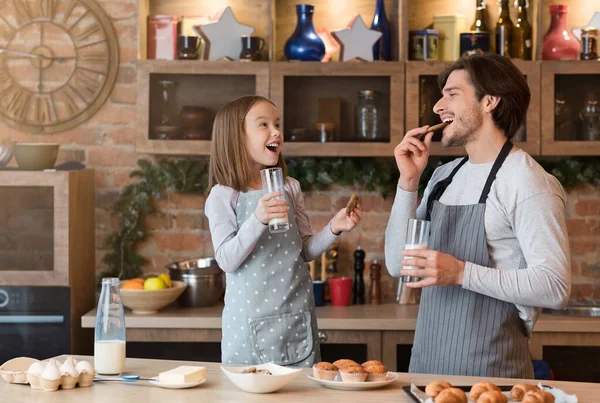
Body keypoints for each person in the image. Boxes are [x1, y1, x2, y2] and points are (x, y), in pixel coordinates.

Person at [385, 53, 571, 378]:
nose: (437, 107)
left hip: (493, 376)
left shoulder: (526, 181)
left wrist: (460, 273)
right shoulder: (444, 177)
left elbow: (554, 286)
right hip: (427, 371)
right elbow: (397, 265)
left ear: (490, 101)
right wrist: (408, 182)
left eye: (452, 94)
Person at [205, 95, 363, 367]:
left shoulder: (289, 187)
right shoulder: (223, 195)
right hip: (248, 326)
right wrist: (258, 219)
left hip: (297, 319)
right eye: (263, 124)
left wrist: (333, 228)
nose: (276, 132)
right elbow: (227, 260)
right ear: (235, 137)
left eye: (277, 124)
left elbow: (304, 250)